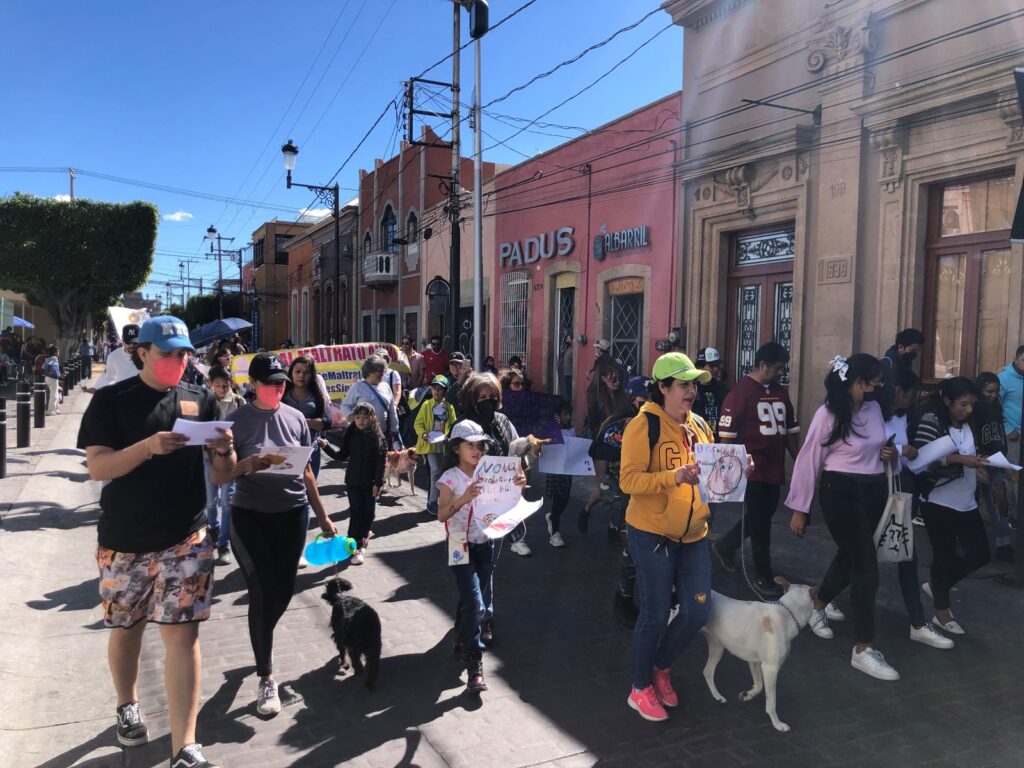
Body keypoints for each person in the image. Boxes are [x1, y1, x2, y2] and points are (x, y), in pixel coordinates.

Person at [78, 315, 232, 768]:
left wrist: (225, 450)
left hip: (186, 537)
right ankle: (127, 703)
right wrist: (147, 447)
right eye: (169, 353)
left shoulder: (200, 398)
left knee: (183, 637)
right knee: (128, 630)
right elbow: (97, 467)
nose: (179, 361)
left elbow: (222, 474)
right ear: (142, 353)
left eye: (185, 353)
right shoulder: (111, 401)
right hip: (124, 540)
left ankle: (185, 747)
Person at [211, 352, 337, 717]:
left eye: (282, 383)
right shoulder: (236, 422)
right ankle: (266, 675)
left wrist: (324, 518)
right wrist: (247, 464)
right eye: (270, 384)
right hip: (250, 516)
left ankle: (260, 634)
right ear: (253, 385)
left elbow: (307, 472)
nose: (278, 388)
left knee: (282, 591)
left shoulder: (296, 418)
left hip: (292, 514)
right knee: (261, 593)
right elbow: (219, 476)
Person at [619, 352, 724, 723]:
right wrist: (674, 476)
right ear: (662, 388)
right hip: (652, 534)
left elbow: (712, 478)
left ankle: (660, 666)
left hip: (694, 534)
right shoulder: (643, 425)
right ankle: (639, 687)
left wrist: (736, 470)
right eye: (683, 385)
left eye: (694, 385)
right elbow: (628, 481)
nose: (691, 392)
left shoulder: (700, 425)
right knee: (656, 612)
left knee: (697, 610)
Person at [786, 354, 901, 682]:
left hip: (873, 491)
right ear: (855, 382)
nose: (876, 387)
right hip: (840, 492)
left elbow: (879, 446)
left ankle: (817, 602)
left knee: (850, 558)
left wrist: (889, 454)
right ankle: (863, 648)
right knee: (866, 567)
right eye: (871, 382)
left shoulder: (875, 409)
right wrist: (800, 508)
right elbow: (809, 459)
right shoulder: (828, 414)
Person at [437, 419, 527, 693]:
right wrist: (463, 498)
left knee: (471, 598)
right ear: (456, 448)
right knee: (476, 604)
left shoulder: (489, 471)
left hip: (485, 543)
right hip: (459, 544)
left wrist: (519, 486)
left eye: (480, 445)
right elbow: (441, 514)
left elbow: (506, 501)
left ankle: (461, 637)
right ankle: (474, 662)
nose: (477, 450)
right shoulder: (450, 478)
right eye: (470, 445)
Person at [712, 342, 800, 598]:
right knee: (761, 524)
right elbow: (726, 436)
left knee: (763, 514)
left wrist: (800, 461)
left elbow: (790, 430)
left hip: (774, 467)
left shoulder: (780, 392)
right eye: (777, 368)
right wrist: (727, 473)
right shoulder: (740, 393)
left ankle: (726, 544)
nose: (781, 373)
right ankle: (763, 575)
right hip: (752, 469)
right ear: (763, 365)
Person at [881, 367, 954, 649]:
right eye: (912, 394)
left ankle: (918, 622)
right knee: (855, 557)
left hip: (898, 488)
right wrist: (902, 450)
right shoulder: (870, 413)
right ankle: (820, 599)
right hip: (871, 490)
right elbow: (865, 448)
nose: (914, 399)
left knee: (907, 555)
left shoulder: (905, 416)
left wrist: (912, 455)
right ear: (898, 390)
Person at [912, 377, 991, 636]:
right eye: (963, 404)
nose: (968, 410)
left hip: (966, 501)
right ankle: (941, 612)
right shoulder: (932, 421)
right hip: (939, 500)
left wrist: (977, 467)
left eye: (972, 404)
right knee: (943, 555)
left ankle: (938, 585)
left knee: (981, 554)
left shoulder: (970, 424)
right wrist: (958, 459)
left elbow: (969, 455)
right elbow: (920, 460)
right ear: (947, 401)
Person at [457, 372, 540, 560]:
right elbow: (452, 468)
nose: (489, 401)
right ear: (472, 399)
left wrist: (528, 451)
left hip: (497, 504)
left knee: (489, 562)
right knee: (463, 564)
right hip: (467, 508)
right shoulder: (462, 426)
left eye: (492, 396)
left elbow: (514, 451)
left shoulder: (502, 421)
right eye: (483, 397)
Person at [589, 376, 650, 628]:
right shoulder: (618, 423)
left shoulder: (656, 420)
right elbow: (600, 454)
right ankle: (623, 597)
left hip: (646, 490)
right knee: (632, 543)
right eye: (642, 400)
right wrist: (602, 486)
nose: (646, 404)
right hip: (619, 488)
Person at [319, 402, 387, 566]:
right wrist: (326, 446)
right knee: (356, 512)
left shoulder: (378, 437)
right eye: (357, 417)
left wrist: (378, 482)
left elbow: (381, 462)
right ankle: (352, 546)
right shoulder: (351, 434)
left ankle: (362, 543)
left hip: (370, 484)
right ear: (353, 419)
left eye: (365, 417)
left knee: (368, 513)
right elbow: (341, 455)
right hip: (353, 482)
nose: (361, 420)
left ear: (372, 418)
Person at [204, 366, 245, 566]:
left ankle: (224, 543)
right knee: (211, 500)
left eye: (225, 385)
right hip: (207, 457)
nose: (222, 389)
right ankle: (212, 530)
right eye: (218, 385)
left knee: (227, 501)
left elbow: (244, 429)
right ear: (210, 384)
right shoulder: (203, 400)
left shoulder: (239, 402)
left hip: (230, 458)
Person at [976, 371, 1015, 560]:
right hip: (976, 463)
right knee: (970, 504)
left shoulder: (996, 408)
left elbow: (999, 434)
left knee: (1000, 503)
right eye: (989, 391)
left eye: (996, 391)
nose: (993, 395)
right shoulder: (974, 410)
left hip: (996, 462)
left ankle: (1003, 544)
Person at [414, 375, 457, 516]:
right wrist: (423, 434)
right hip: (429, 445)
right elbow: (418, 423)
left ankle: (443, 501)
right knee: (435, 471)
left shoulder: (449, 408)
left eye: (440, 389)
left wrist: (448, 435)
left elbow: (453, 425)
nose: (437, 391)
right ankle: (432, 502)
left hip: (443, 445)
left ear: (445, 391)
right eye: (434, 388)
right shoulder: (426, 405)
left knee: (444, 473)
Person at [341, 355, 401, 449]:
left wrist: (394, 428)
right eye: (379, 371)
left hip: (383, 434)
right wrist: (350, 416)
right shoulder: (358, 387)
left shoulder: (386, 387)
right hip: (363, 435)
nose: (382, 374)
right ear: (369, 371)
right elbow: (345, 406)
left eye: (383, 371)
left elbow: (392, 409)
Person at [543, 401, 575, 548]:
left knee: (565, 499)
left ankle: (552, 517)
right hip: (555, 470)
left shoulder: (571, 430)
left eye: (569, 414)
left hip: (567, 471)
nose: (568, 417)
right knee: (557, 500)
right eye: (564, 414)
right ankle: (555, 533)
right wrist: (554, 426)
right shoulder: (551, 429)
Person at [879, 328, 924, 414]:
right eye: (912, 350)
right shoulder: (887, 364)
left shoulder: (906, 362)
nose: (914, 354)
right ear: (901, 347)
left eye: (916, 351)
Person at [87, 324, 141, 392]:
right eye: (128, 342)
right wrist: (97, 388)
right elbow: (108, 375)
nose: (132, 345)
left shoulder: (147, 355)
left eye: (135, 342)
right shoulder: (114, 356)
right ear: (122, 339)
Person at [692, 347, 729, 438]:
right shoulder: (691, 389)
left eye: (717, 365)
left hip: (718, 440)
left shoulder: (722, 389)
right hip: (697, 438)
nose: (716, 369)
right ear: (700, 367)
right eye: (712, 366)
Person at [998, 344, 1024, 467]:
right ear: (1015, 359)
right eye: (1023, 360)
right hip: (1014, 436)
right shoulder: (1003, 378)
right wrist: (1008, 428)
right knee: (1013, 472)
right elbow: (994, 407)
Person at [42, 345, 62, 415]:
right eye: (58, 351)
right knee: (54, 394)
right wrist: (57, 373)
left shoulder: (48, 359)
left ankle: (56, 409)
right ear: (55, 352)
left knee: (55, 393)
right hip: (53, 378)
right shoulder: (54, 358)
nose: (59, 353)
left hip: (47, 377)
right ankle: (50, 410)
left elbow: (43, 367)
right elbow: (51, 365)